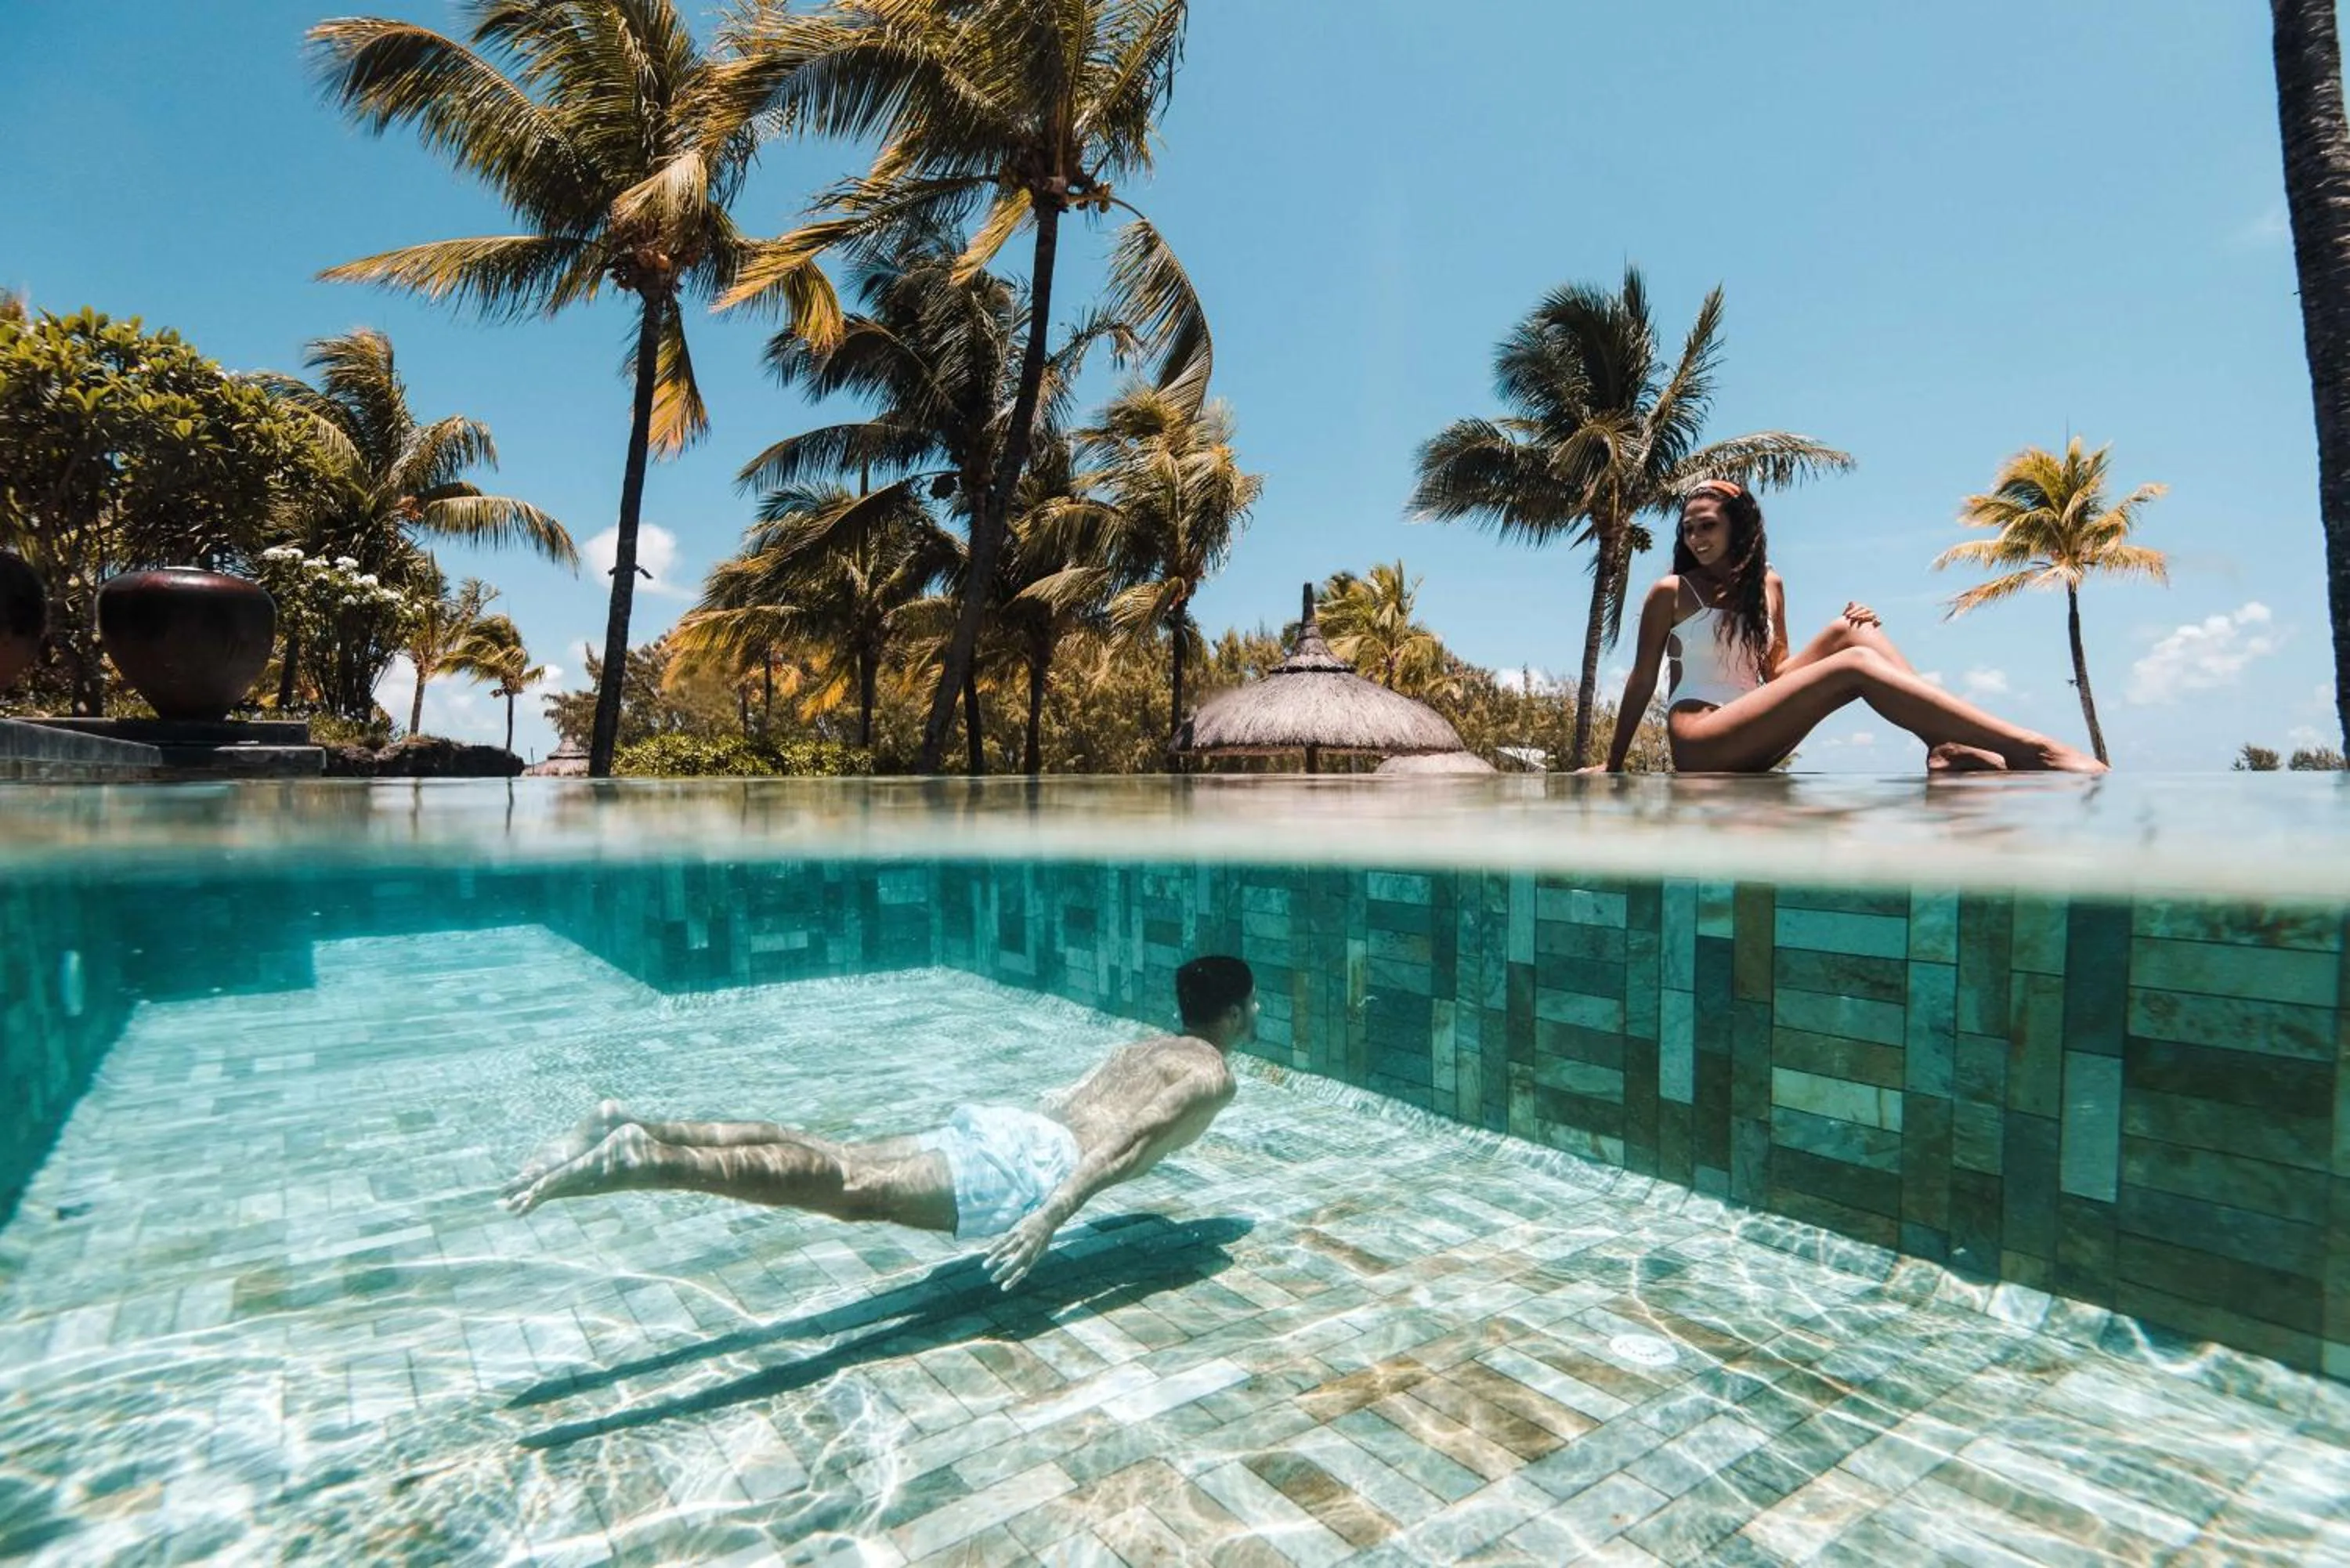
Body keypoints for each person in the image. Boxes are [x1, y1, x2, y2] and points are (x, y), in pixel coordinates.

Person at [500, 956, 1256, 1291]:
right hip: (1028, 1169)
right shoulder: (1209, 1074)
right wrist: (1050, 1218)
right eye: (1251, 1005)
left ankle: (640, 1123)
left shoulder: (1144, 1044)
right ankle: (648, 1161)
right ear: (1230, 1012)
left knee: (835, 1153)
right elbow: (1125, 1148)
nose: (1256, 1014)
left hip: (1008, 1128)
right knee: (852, 1187)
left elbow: (1067, 1093)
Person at [1585, 479, 2106, 775]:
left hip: (1754, 721)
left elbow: (1777, 671)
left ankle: (1941, 745)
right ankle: (2032, 749)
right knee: (1853, 665)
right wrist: (1611, 765)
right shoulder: (1672, 592)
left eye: (1709, 526)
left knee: (1854, 633)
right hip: (1702, 740)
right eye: (1690, 529)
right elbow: (1641, 680)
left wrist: (1848, 624)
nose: (1697, 538)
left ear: (1737, 527)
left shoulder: (1769, 584)